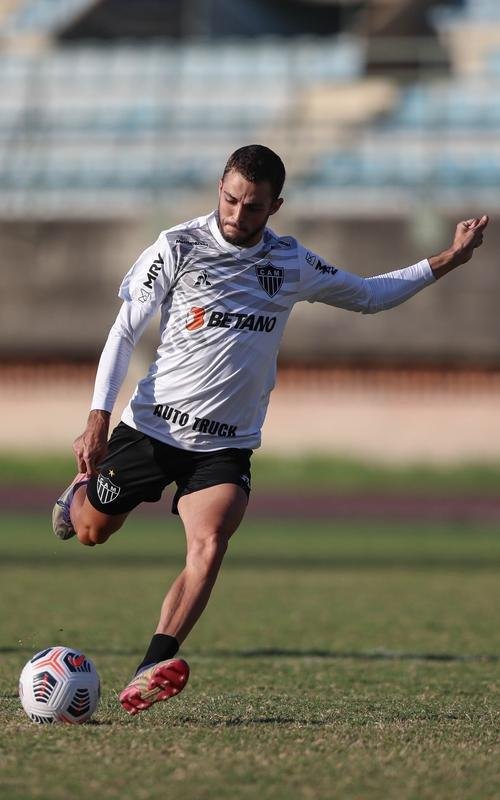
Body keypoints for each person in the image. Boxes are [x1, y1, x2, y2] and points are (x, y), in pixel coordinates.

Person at [52, 144, 488, 715]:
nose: (237, 215)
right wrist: (97, 417)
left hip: (225, 446)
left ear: (275, 205)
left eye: (253, 207)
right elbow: (124, 331)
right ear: (220, 188)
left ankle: (150, 666)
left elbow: (371, 295)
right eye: (230, 199)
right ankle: (78, 495)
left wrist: (449, 259)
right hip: (151, 429)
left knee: (209, 543)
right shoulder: (177, 246)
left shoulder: (290, 263)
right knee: (91, 531)